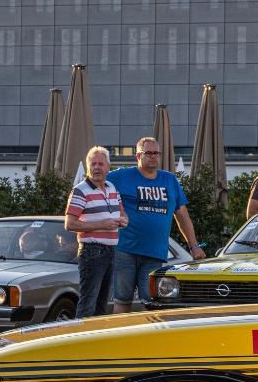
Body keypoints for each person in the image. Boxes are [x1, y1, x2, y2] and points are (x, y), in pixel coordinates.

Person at [108, 136, 206, 313]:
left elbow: (182, 216)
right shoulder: (121, 176)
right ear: (138, 156)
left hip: (155, 254)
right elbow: (95, 184)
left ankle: (149, 332)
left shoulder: (169, 180)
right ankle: (120, 332)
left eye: (156, 153)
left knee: (152, 303)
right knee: (122, 301)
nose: (153, 156)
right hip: (125, 251)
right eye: (149, 153)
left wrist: (194, 246)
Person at [64, 146, 128, 318]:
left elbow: (122, 213)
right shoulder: (80, 190)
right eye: (93, 164)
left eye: (100, 164)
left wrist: (124, 220)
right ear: (88, 167)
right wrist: (102, 224)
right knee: (88, 303)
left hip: (111, 250)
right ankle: (80, 335)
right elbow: (69, 224)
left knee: (102, 304)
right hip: (92, 251)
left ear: (108, 167)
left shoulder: (112, 187)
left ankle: (96, 335)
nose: (96, 168)